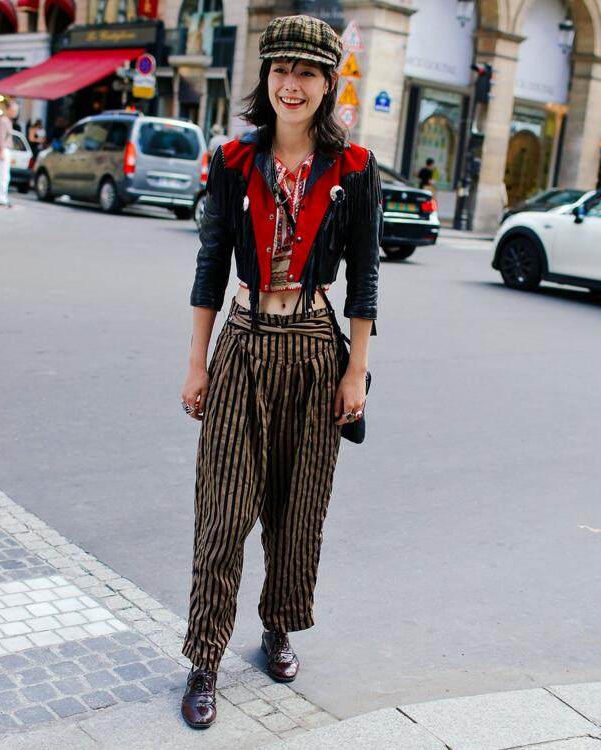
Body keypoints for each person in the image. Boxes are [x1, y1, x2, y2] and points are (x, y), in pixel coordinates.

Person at [179, 14, 380, 730]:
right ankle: (205, 657)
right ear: (266, 78)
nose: (291, 85)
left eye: (307, 73)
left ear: (328, 84)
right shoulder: (233, 160)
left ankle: (278, 626)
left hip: (316, 351)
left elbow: (366, 275)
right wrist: (197, 362)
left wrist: (357, 371)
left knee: (299, 512)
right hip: (243, 343)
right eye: (280, 71)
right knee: (224, 513)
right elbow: (210, 263)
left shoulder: (354, 167)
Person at [0, 100, 18, 208]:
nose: (15, 113)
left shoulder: (6, 121)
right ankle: (0, 198)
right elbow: (0, 137)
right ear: (8, 110)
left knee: (1, 175)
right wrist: (1, 150)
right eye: (13, 110)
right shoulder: (3, 121)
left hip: (5, 150)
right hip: (3, 150)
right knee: (3, 175)